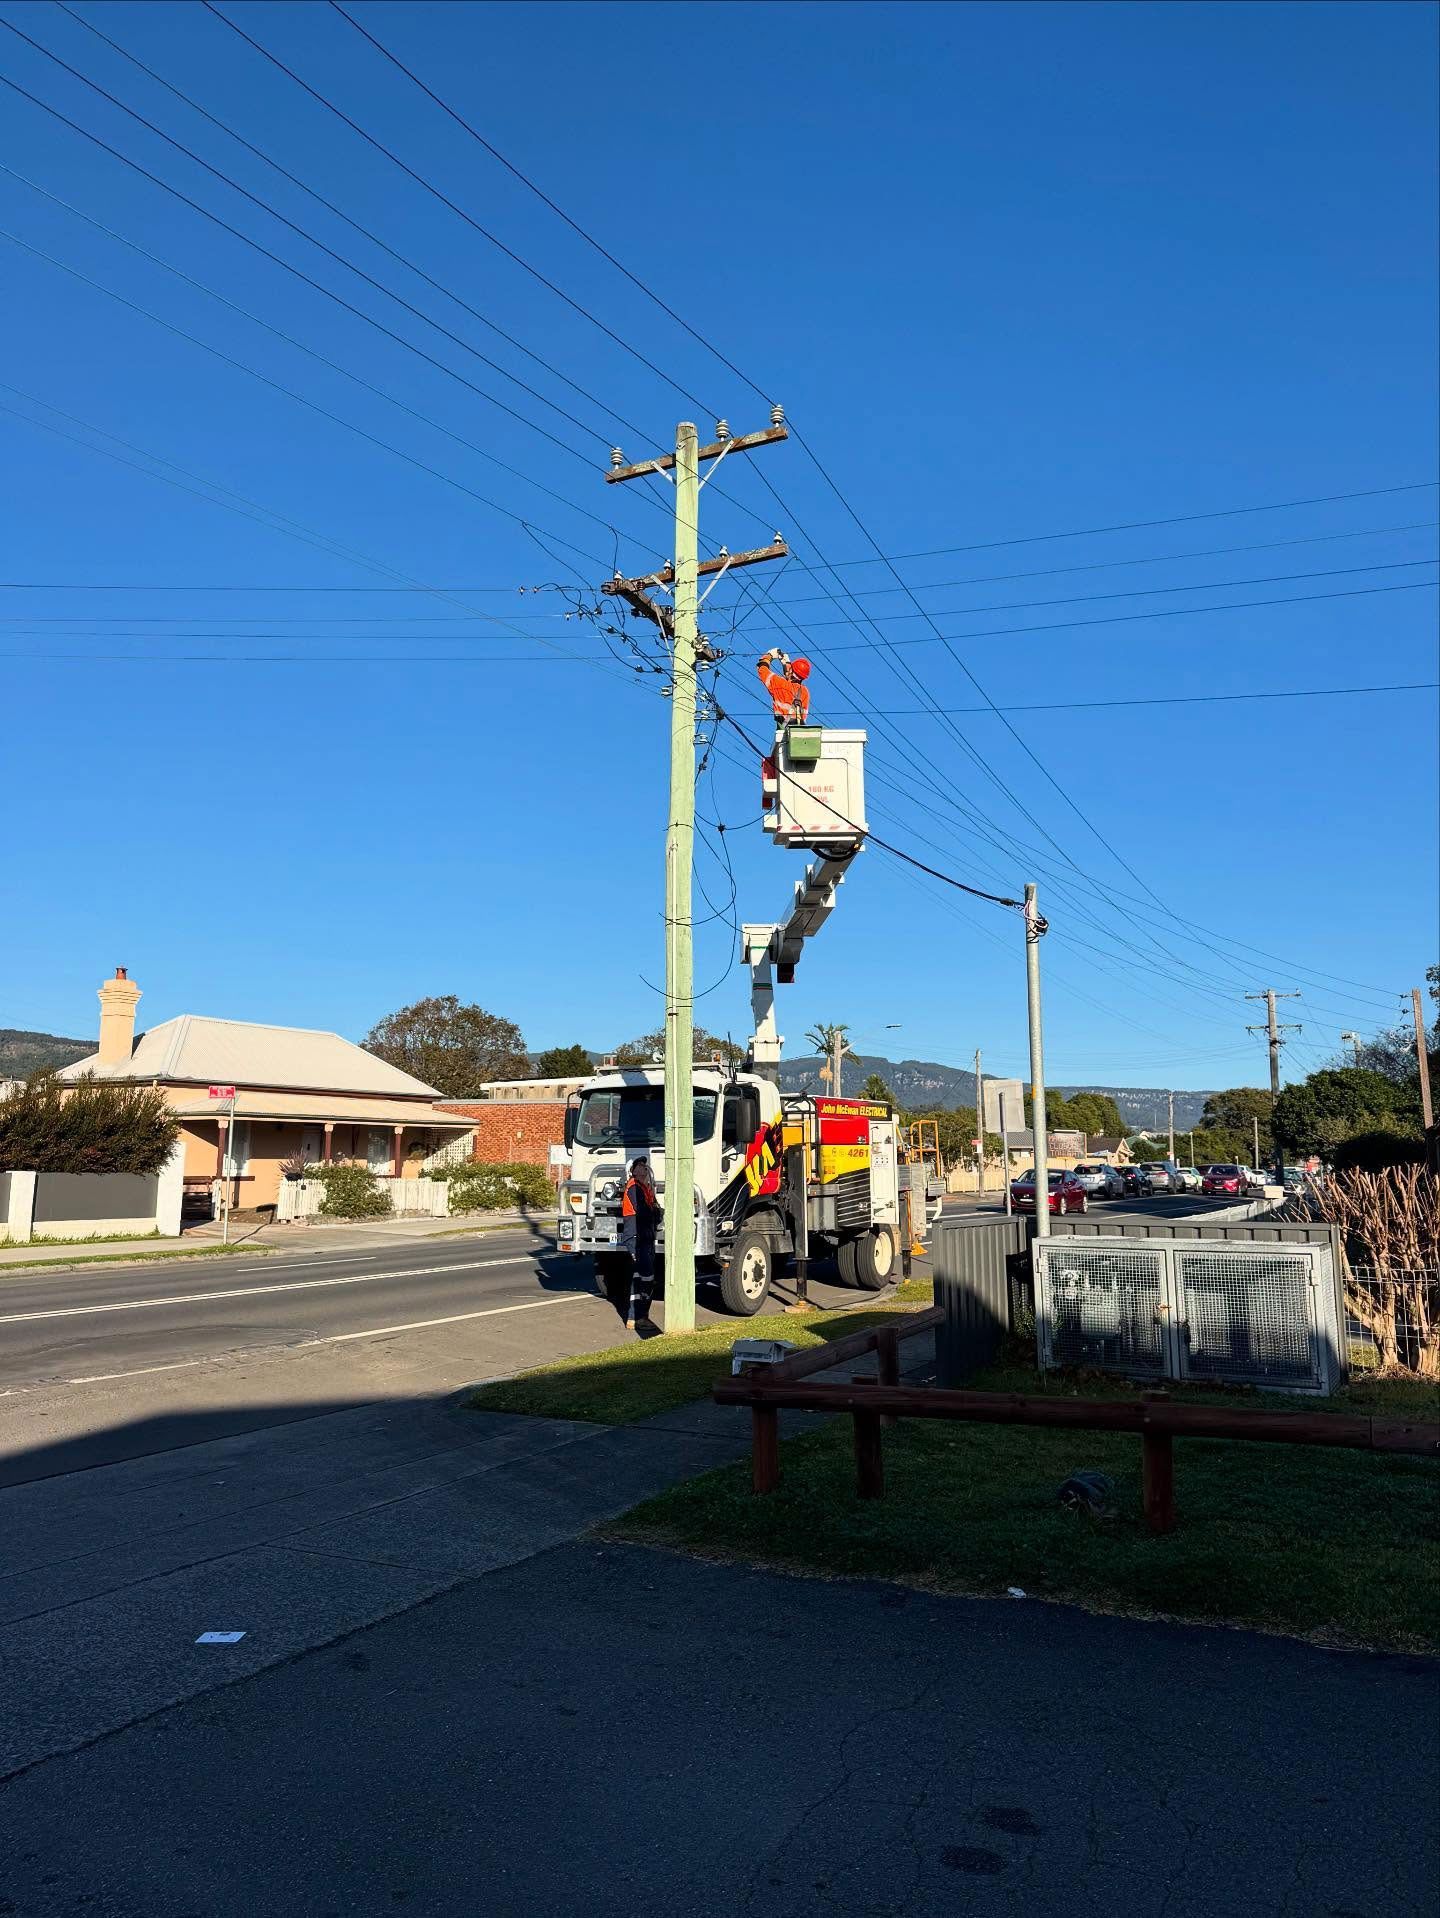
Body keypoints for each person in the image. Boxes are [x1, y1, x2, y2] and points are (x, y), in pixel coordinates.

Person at [620, 1156, 659, 1329]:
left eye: (644, 1165)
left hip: (645, 1237)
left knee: (640, 1277)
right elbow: (645, 1213)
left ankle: (634, 1317)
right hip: (637, 1237)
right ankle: (639, 1317)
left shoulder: (644, 1189)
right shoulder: (634, 1188)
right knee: (646, 1277)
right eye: (640, 1165)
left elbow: (655, 1213)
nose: (644, 1168)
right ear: (633, 1171)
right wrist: (655, 1210)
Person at [757, 648, 811, 723]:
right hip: (798, 732)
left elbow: (762, 669)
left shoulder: (779, 683)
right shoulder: (805, 692)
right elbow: (791, 685)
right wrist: (787, 664)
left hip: (783, 729)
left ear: (791, 670)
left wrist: (769, 655)